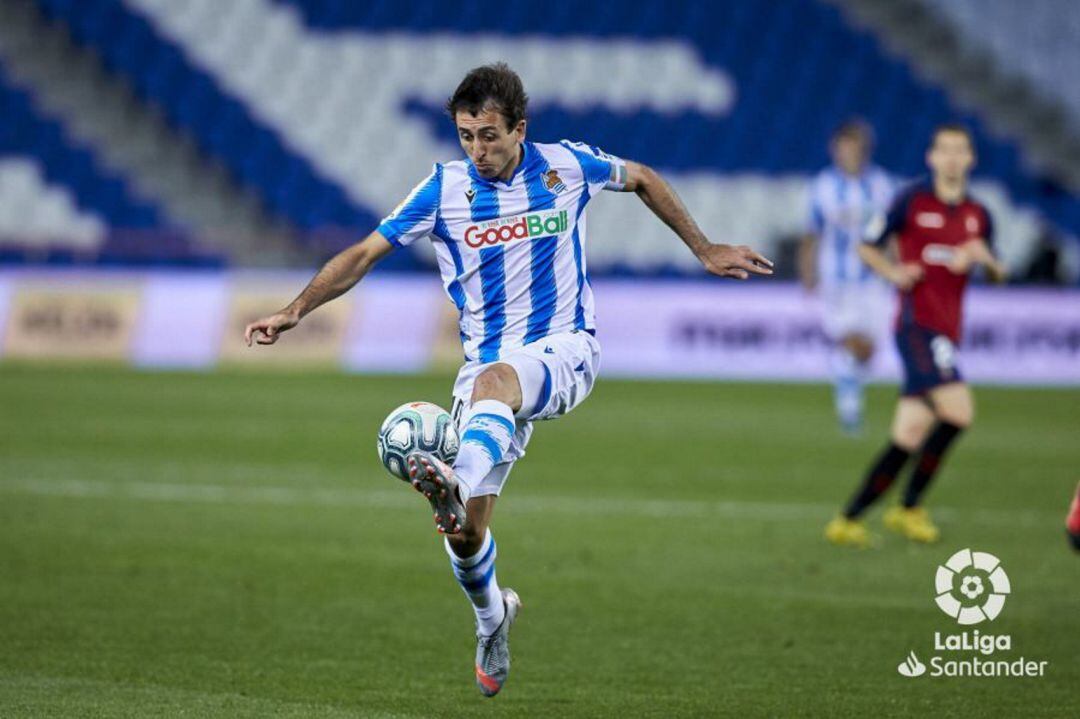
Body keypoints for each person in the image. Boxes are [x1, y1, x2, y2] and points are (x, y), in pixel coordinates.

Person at [244, 63, 773, 695]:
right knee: (466, 533)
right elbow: (363, 253)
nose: (478, 150)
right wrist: (296, 309)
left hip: (565, 348)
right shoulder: (442, 189)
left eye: (489, 135)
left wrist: (704, 248)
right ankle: (492, 617)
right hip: (485, 370)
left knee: (492, 393)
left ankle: (453, 481)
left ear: (520, 129)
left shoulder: (567, 165)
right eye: (466, 136)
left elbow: (642, 178)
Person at [825, 124, 1006, 548]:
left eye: (960, 151)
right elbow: (866, 245)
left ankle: (848, 520)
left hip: (949, 330)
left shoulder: (979, 215)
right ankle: (909, 507)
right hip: (916, 327)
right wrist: (894, 272)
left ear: (971, 159)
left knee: (908, 434)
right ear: (931, 157)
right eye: (945, 150)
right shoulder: (910, 200)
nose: (952, 158)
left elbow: (999, 274)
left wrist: (986, 261)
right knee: (959, 412)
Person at [800, 120, 894, 434]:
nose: (849, 153)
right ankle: (849, 406)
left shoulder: (882, 184)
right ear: (835, 149)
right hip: (837, 279)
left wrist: (896, 267)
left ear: (865, 149)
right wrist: (808, 274)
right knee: (850, 339)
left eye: (855, 147)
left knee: (869, 350)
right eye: (844, 147)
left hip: (874, 278)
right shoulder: (822, 187)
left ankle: (843, 371)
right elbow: (811, 234)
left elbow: (895, 233)